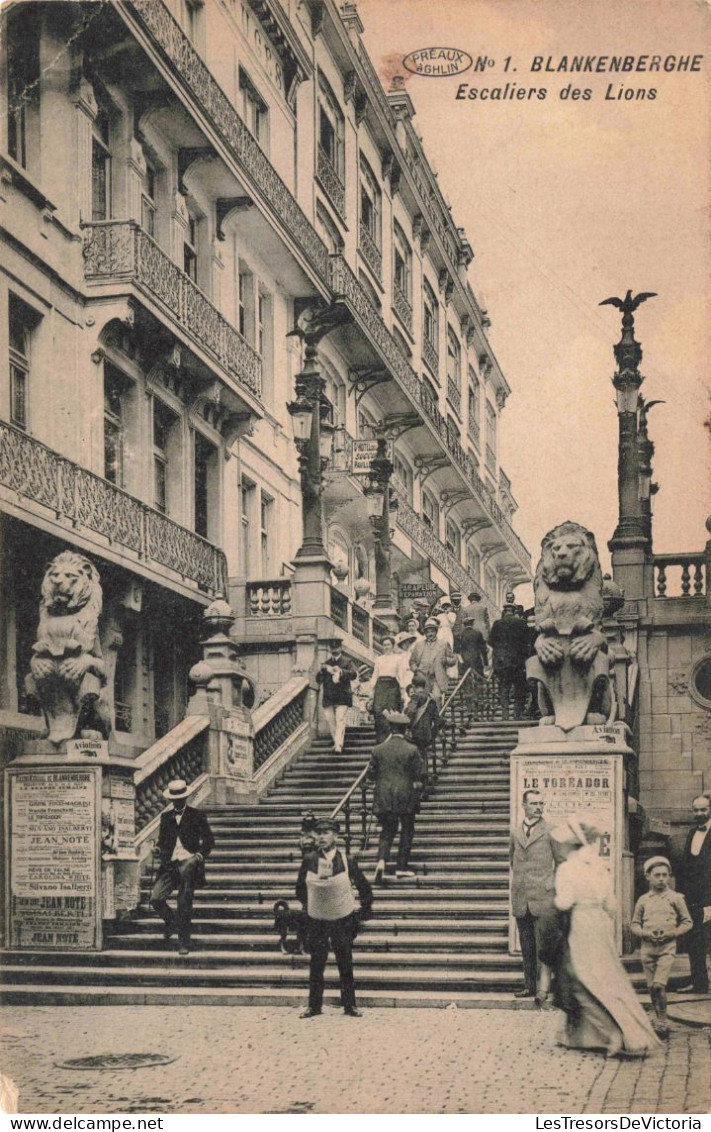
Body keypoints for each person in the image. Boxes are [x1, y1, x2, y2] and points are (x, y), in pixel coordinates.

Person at [551, 817, 661, 1057]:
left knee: (580, 978)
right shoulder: (599, 865)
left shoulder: (567, 868)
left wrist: (555, 900)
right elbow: (611, 905)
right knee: (605, 976)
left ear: (571, 845)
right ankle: (575, 1034)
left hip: (580, 923)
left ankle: (615, 1033)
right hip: (599, 924)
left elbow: (564, 901)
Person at [296, 816, 373, 1018]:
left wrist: (364, 911)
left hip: (341, 919)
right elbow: (299, 888)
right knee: (317, 963)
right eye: (318, 833)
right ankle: (314, 1006)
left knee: (344, 962)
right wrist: (311, 906)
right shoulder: (310, 860)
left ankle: (350, 1005)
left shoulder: (347, 860)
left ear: (335, 836)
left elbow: (364, 887)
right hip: (317, 920)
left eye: (326, 833)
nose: (321, 837)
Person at [150, 778, 215, 956]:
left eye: (180, 799)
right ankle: (172, 923)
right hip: (169, 865)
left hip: (189, 864)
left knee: (184, 903)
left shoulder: (197, 815)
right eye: (174, 800)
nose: (177, 802)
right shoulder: (166, 817)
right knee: (156, 898)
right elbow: (164, 842)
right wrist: (157, 849)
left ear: (185, 798)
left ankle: (184, 942)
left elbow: (209, 841)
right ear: (171, 800)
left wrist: (198, 857)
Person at [631, 856, 692, 1036]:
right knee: (651, 987)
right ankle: (659, 1019)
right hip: (648, 949)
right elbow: (634, 924)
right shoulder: (643, 900)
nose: (661, 878)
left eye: (665, 875)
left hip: (667, 949)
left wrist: (673, 932)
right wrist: (644, 933)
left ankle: (663, 1020)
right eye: (657, 875)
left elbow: (688, 922)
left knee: (659, 985)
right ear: (648, 876)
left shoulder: (675, 898)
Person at [510, 789, 556, 999]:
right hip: (521, 897)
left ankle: (544, 988)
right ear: (524, 806)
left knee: (543, 946)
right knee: (527, 946)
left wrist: (550, 884)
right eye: (534, 803)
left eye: (541, 804)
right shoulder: (515, 831)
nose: (538, 807)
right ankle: (529, 986)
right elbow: (513, 861)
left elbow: (561, 862)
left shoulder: (551, 830)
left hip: (543, 897)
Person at [368, 711, 424, 883]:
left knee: (387, 831)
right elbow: (419, 775)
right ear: (405, 729)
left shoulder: (377, 749)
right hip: (405, 795)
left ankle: (381, 861)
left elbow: (371, 774)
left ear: (390, 728)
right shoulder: (412, 749)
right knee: (407, 830)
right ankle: (401, 867)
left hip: (383, 795)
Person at [674, 794, 711, 994]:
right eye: (695, 810)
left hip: (709, 900)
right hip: (692, 899)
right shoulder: (690, 834)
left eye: (703, 809)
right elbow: (687, 868)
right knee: (695, 941)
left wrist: (709, 903)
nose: (699, 813)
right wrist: (681, 895)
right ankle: (699, 984)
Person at [489, 602, 529, 720]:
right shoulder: (521, 623)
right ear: (514, 611)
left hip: (502, 663)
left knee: (504, 688)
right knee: (519, 688)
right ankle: (517, 714)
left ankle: (505, 715)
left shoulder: (497, 624)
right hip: (518, 662)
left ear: (505, 610)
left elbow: (491, 642)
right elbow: (527, 642)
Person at [316, 638, 357, 754]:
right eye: (332, 648)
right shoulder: (326, 664)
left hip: (342, 696)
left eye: (336, 648)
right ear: (330, 649)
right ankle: (337, 742)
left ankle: (338, 744)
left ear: (340, 648)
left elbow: (354, 674)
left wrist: (341, 671)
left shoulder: (347, 662)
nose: (334, 650)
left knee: (340, 719)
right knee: (330, 721)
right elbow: (319, 680)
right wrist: (321, 671)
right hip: (329, 697)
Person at [369, 634, 411, 743]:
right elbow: (375, 675)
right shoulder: (378, 659)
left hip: (392, 687)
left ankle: (391, 740)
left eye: (388, 644)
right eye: (384, 645)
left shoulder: (398, 658)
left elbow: (400, 674)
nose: (386, 647)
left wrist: (402, 691)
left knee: (391, 711)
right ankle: (381, 740)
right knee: (379, 712)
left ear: (392, 646)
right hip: (380, 687)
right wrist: (371, 691)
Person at [409, 618, 458, 706]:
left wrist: (446, 660)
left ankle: (437, 718)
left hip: (437, 678)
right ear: (425, 633)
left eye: (432, 631)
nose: (430, 634)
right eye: (428, 632)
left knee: (436, 698)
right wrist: (416, 670)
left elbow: (453, 659)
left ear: (436, 632)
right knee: (423, 700)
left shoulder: (443, 644)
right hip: (422, 678)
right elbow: (412, 661)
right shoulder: (419, 645)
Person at [404, 671, 439, 791]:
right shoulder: (431, 699)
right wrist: (432, 734)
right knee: (423, 756)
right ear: (424, 686)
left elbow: (411, 712)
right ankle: (424, 785)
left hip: (415, 733)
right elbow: (438, 721)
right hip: (427, 734)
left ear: (413, 686)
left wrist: (406, 725)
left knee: (416, 758)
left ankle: (417, 785)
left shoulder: (415, 697)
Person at [459, 611, 489, 725]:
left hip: (465, 663)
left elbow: (457, 650)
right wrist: (486, 663)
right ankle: (477, 710)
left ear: (464, 624)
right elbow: (483, 649)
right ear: (472, 623)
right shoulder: (477, 633)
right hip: (477, 662)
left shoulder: (460, 635)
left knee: (467, 687)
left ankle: (469, 710)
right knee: (478, 685)